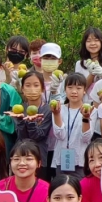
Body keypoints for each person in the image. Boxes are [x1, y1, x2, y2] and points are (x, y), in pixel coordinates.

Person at [51, 73, 94, 179]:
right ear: (65, 89)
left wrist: (85, 118)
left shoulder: (91, 110)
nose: (74, 91)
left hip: (80, 160)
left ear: (84, 90)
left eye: (78, 88)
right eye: (70, 87)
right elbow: (60, 135)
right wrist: (56, 114)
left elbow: (86, 138)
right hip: (61, 159)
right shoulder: (58, 108)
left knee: (79, 191)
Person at [10, 71, 53, 176]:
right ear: (22, 89)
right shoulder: (19, 109)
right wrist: (20, 121)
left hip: (39, 157)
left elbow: (38, 136)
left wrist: (30, 122)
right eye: (28, 85)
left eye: (36, 85)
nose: (32, 89)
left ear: (43, 89)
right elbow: (22, 137)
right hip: (20, 156)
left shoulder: (48, 109)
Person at [37, 42, 65, 181]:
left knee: (57, 178)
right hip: (39, 137)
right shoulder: (34, 80)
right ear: (40, 60)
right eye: (46, 57)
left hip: (58, 139)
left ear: (59, 61)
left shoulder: (66, 82)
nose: (49, 61)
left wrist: (56, 91)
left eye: (52, 58)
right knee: (41, 177)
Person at [75, 27, 102, 91]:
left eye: (96, 40)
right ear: (84, 44)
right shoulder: (80, 64)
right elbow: (80, 89)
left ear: (101, 42)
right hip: (86, 100)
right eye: (88, 41)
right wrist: (92, 73)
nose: (92, 43)